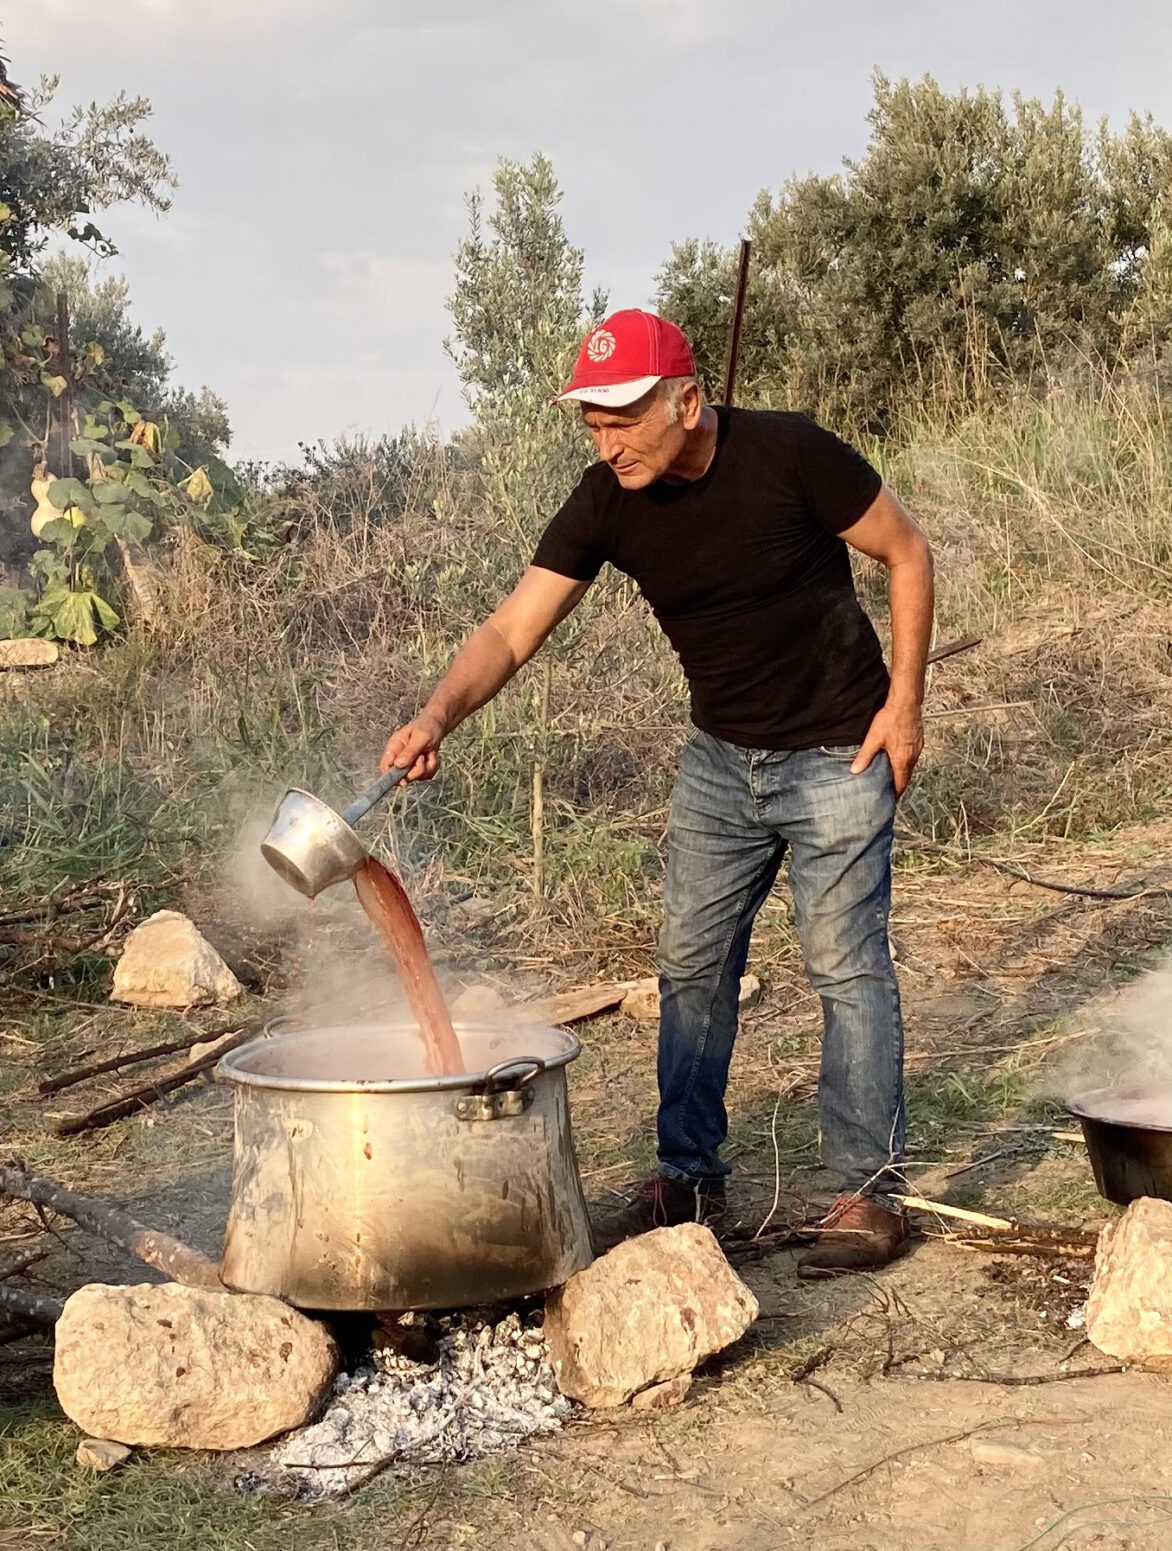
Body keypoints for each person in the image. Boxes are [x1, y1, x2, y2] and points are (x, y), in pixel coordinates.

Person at [380, 309, 934, 1277]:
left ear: (685, 401)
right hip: (721, 762)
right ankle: (687, 1175)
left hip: (838, 751)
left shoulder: (790, 453)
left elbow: (906, 552)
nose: (607, 441)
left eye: (624, 418)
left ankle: (866, 1192)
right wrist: (434, 717)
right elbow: (511, 630)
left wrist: (904, 705)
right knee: (688, 963)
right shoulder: (607, 500)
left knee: (843, 966)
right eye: (592, 422)